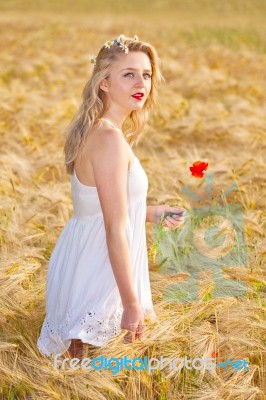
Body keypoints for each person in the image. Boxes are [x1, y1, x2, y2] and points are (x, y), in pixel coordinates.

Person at [37, 34, 186, 359]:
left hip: (86, 260)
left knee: (78, 371)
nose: (141, 83)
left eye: (146, 74)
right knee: (83, 372)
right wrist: (131, 304)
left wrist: (151, 212)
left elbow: (98, 206)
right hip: (97, 270)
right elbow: (114, 228)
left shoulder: (102, 131)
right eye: (128, 74)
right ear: (104, 83)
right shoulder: (108, 139)